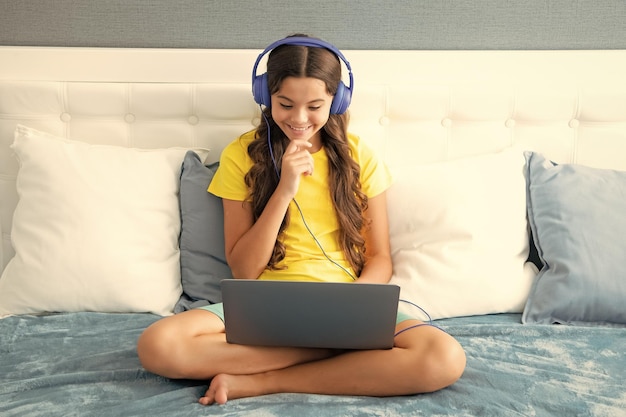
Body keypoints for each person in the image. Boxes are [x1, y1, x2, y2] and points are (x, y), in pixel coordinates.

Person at [137, 34, 466, 406]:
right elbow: (244, 270)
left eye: (314, 106)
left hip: (347, 306)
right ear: (265, 96)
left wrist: (354, 309)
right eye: (285, 104)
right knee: (158, 345)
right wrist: (284, 190)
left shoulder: (362, 158)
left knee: (445, 358)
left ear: (336, 101)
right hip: (263, 306)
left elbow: (380, 258)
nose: (299, 118)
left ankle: (264, 381)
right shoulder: (241, 155)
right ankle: (330, 352)